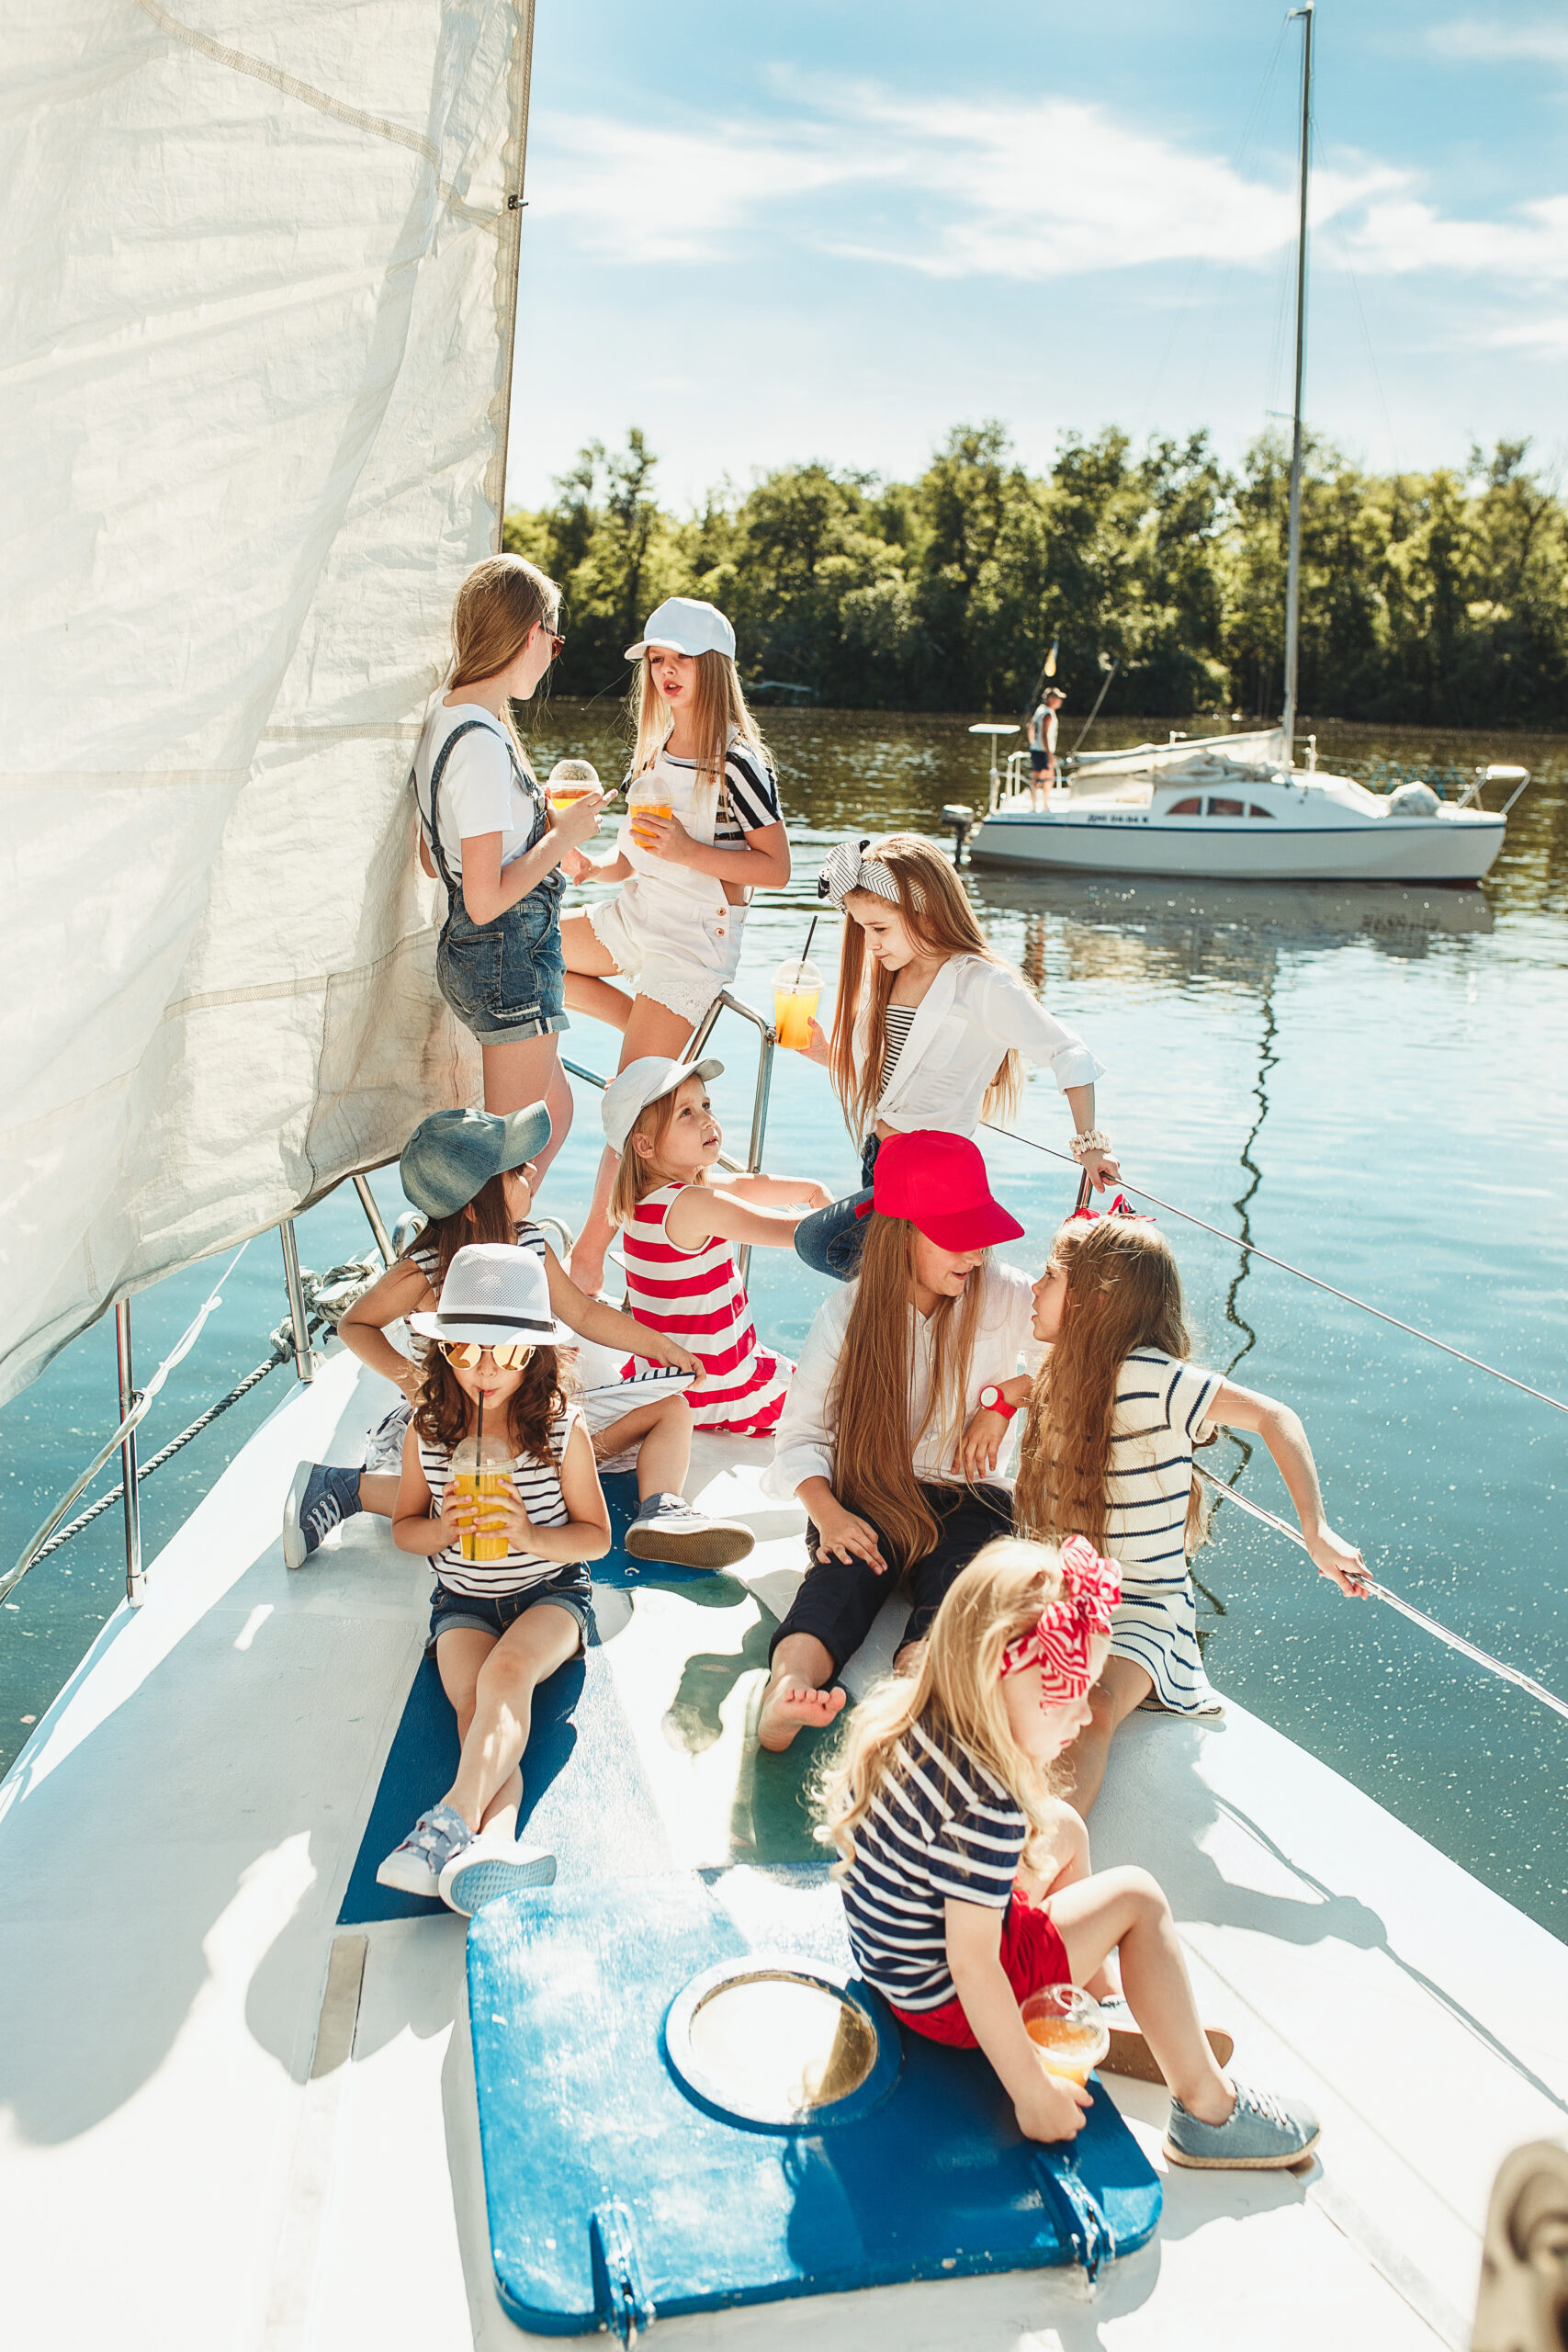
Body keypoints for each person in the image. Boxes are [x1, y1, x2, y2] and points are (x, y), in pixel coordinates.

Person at [818, 1533, 1323, 2169]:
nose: (1085, 1716)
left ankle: (1096, 1999)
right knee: (1137, 1898)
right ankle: (1207, 2112)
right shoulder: (983, 1804)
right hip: (943, 2002)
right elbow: (973, 1965)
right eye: (1066, 1693)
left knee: (1062, 1825)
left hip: (892, 1964)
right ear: (996, 1678)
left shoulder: (906, 1721)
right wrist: (1031, 2092)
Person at [994, 1206, 1367, 1814]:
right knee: (987, 1680)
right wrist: (996, 1403)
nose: (1033, 1289)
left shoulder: (1152, 1378)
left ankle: (1041, 1857)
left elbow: (1275, 1417)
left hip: (1138, 1610)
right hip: (1062, 1593)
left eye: (1048, 1276)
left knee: (1088, 1708)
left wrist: (1314, 1529)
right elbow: (1026, 1390)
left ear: (1096, 1297)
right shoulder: (1066, 1370)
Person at [282, 1103, 753, 1575]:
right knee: (467, 1501)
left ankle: (662, 1509)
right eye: (515, 1169)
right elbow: (354, 1325)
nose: (531, 1168)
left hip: (533, 1404)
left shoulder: (529, 1242)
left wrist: (662, 1348)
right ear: (474, 1203)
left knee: (671, 1408)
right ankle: (344, 1487)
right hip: (462, 1412)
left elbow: (585, 1312)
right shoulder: (426, 1267)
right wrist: (415, 1384)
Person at [756, 1132, 1039, 1750]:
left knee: (959, 1593)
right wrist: (828, 1517)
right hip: (868, 1494)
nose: (974, 1251)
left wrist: (1003, 1399)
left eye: (979, 1232)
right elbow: (802, 1434)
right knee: (835, 1587)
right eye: (954, 1233)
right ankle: (786, 1691)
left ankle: (916, 1684)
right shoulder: (846, 1315)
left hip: (971, 1499)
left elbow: (1073, 1359)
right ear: (900, 1232)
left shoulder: (1008, 1292)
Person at [558, 598, 790, 1295]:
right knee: (526, 949)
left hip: (691, 943)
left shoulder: (740, 764)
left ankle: (589, 1259)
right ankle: (655, 1030)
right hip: (636, 913)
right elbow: (633, 852)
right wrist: (596, 867)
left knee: (632, 1101)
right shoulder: (654, 746)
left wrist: (692, 849)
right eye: (656, 659)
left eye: (679, 657)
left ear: (712, 667)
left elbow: (775, 869)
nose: (665, 670)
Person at [376, 1246, 612, 1916]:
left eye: (504, 1354)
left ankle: (441, 1831)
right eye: (463, 1350)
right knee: (477, 1712)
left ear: (533, 1355)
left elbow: (595, 1537)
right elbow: (404, 1528)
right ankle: (495, 1839)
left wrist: (532, 1536)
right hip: (462, 1600)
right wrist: (444, 1527)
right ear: (442, 1349)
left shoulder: (561, 1428)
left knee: (506, 1674)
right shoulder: (429, 1430)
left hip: (550, 1594)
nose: (483, 1368)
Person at [791, 833, 1116, 1285]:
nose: (870, 945)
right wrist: (827, 1054)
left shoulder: (982, 985)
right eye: (862, 929)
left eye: (880, 928)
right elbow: (889, 1084)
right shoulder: (890, 976)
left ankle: (971, 1285)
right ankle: (950, 1290)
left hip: (931, 1176)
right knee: (890, 1288)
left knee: (816, 1242)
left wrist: (1090, 1144)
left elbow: (1068, 1051)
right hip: (880, 1158)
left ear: (925, 911)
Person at [413, 553, 606, 1139]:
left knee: (556, 1114)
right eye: (555, 639)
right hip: (510, 963)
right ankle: (496, 1233)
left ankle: (498, 1231)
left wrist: (532, 823)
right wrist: (563, 835)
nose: (553, 654)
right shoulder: (482, 744)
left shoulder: (447, 720)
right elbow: (484, 899)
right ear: (533, 633)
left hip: (476, 961)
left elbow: (432, 861)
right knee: (511, 1154)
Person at [604, 1056, 830, 1434]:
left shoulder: (649, 1199)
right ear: (644, 1145)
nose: (707, 1120)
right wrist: (850, 1220)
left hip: (666, 1383)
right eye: (686, 1114)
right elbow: (792, 1234)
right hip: (719, 1388)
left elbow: (743, 1187)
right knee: (842, 1405)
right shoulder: (691, 1204)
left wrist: (812, 1191)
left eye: (706, 1105)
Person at [1028, 684, 1065, 808]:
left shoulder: (1040, 710)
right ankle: (1041, 804)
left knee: (1044, 777)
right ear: (1051, 699)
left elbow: (1030, 727)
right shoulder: (1048, 714)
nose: (1060, 701)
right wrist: (1049, 754)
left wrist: (1032, 742)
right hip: (1043, 750)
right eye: (1058, 698)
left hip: (1037, 749)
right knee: (1043, 778)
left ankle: (1039, 803)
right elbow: (1044, 735)